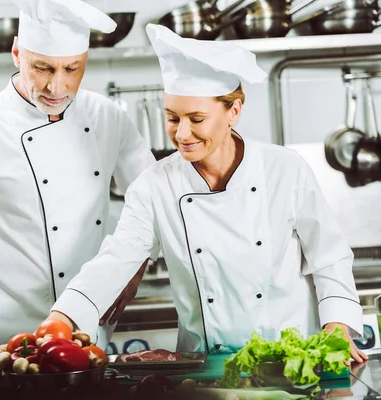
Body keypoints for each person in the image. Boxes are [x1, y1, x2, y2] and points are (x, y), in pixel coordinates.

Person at [43, 23, 368, 363]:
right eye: (172, 118)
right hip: (203, 370)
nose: (182, 134)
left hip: (288, 360)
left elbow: (329, 256)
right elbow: (116, 259)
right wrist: (62, 318)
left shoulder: (285, 169)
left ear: (234, 112)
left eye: (196, 119)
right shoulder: (155, 185)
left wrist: (338, 328)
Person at [0, 0, 156, 392]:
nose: (56, 86)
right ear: (17, 53)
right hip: (3, 343)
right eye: (42, 67)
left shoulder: (109, 118)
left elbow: (151, 202)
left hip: (82, 339)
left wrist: (133, 267)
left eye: (71, 69)